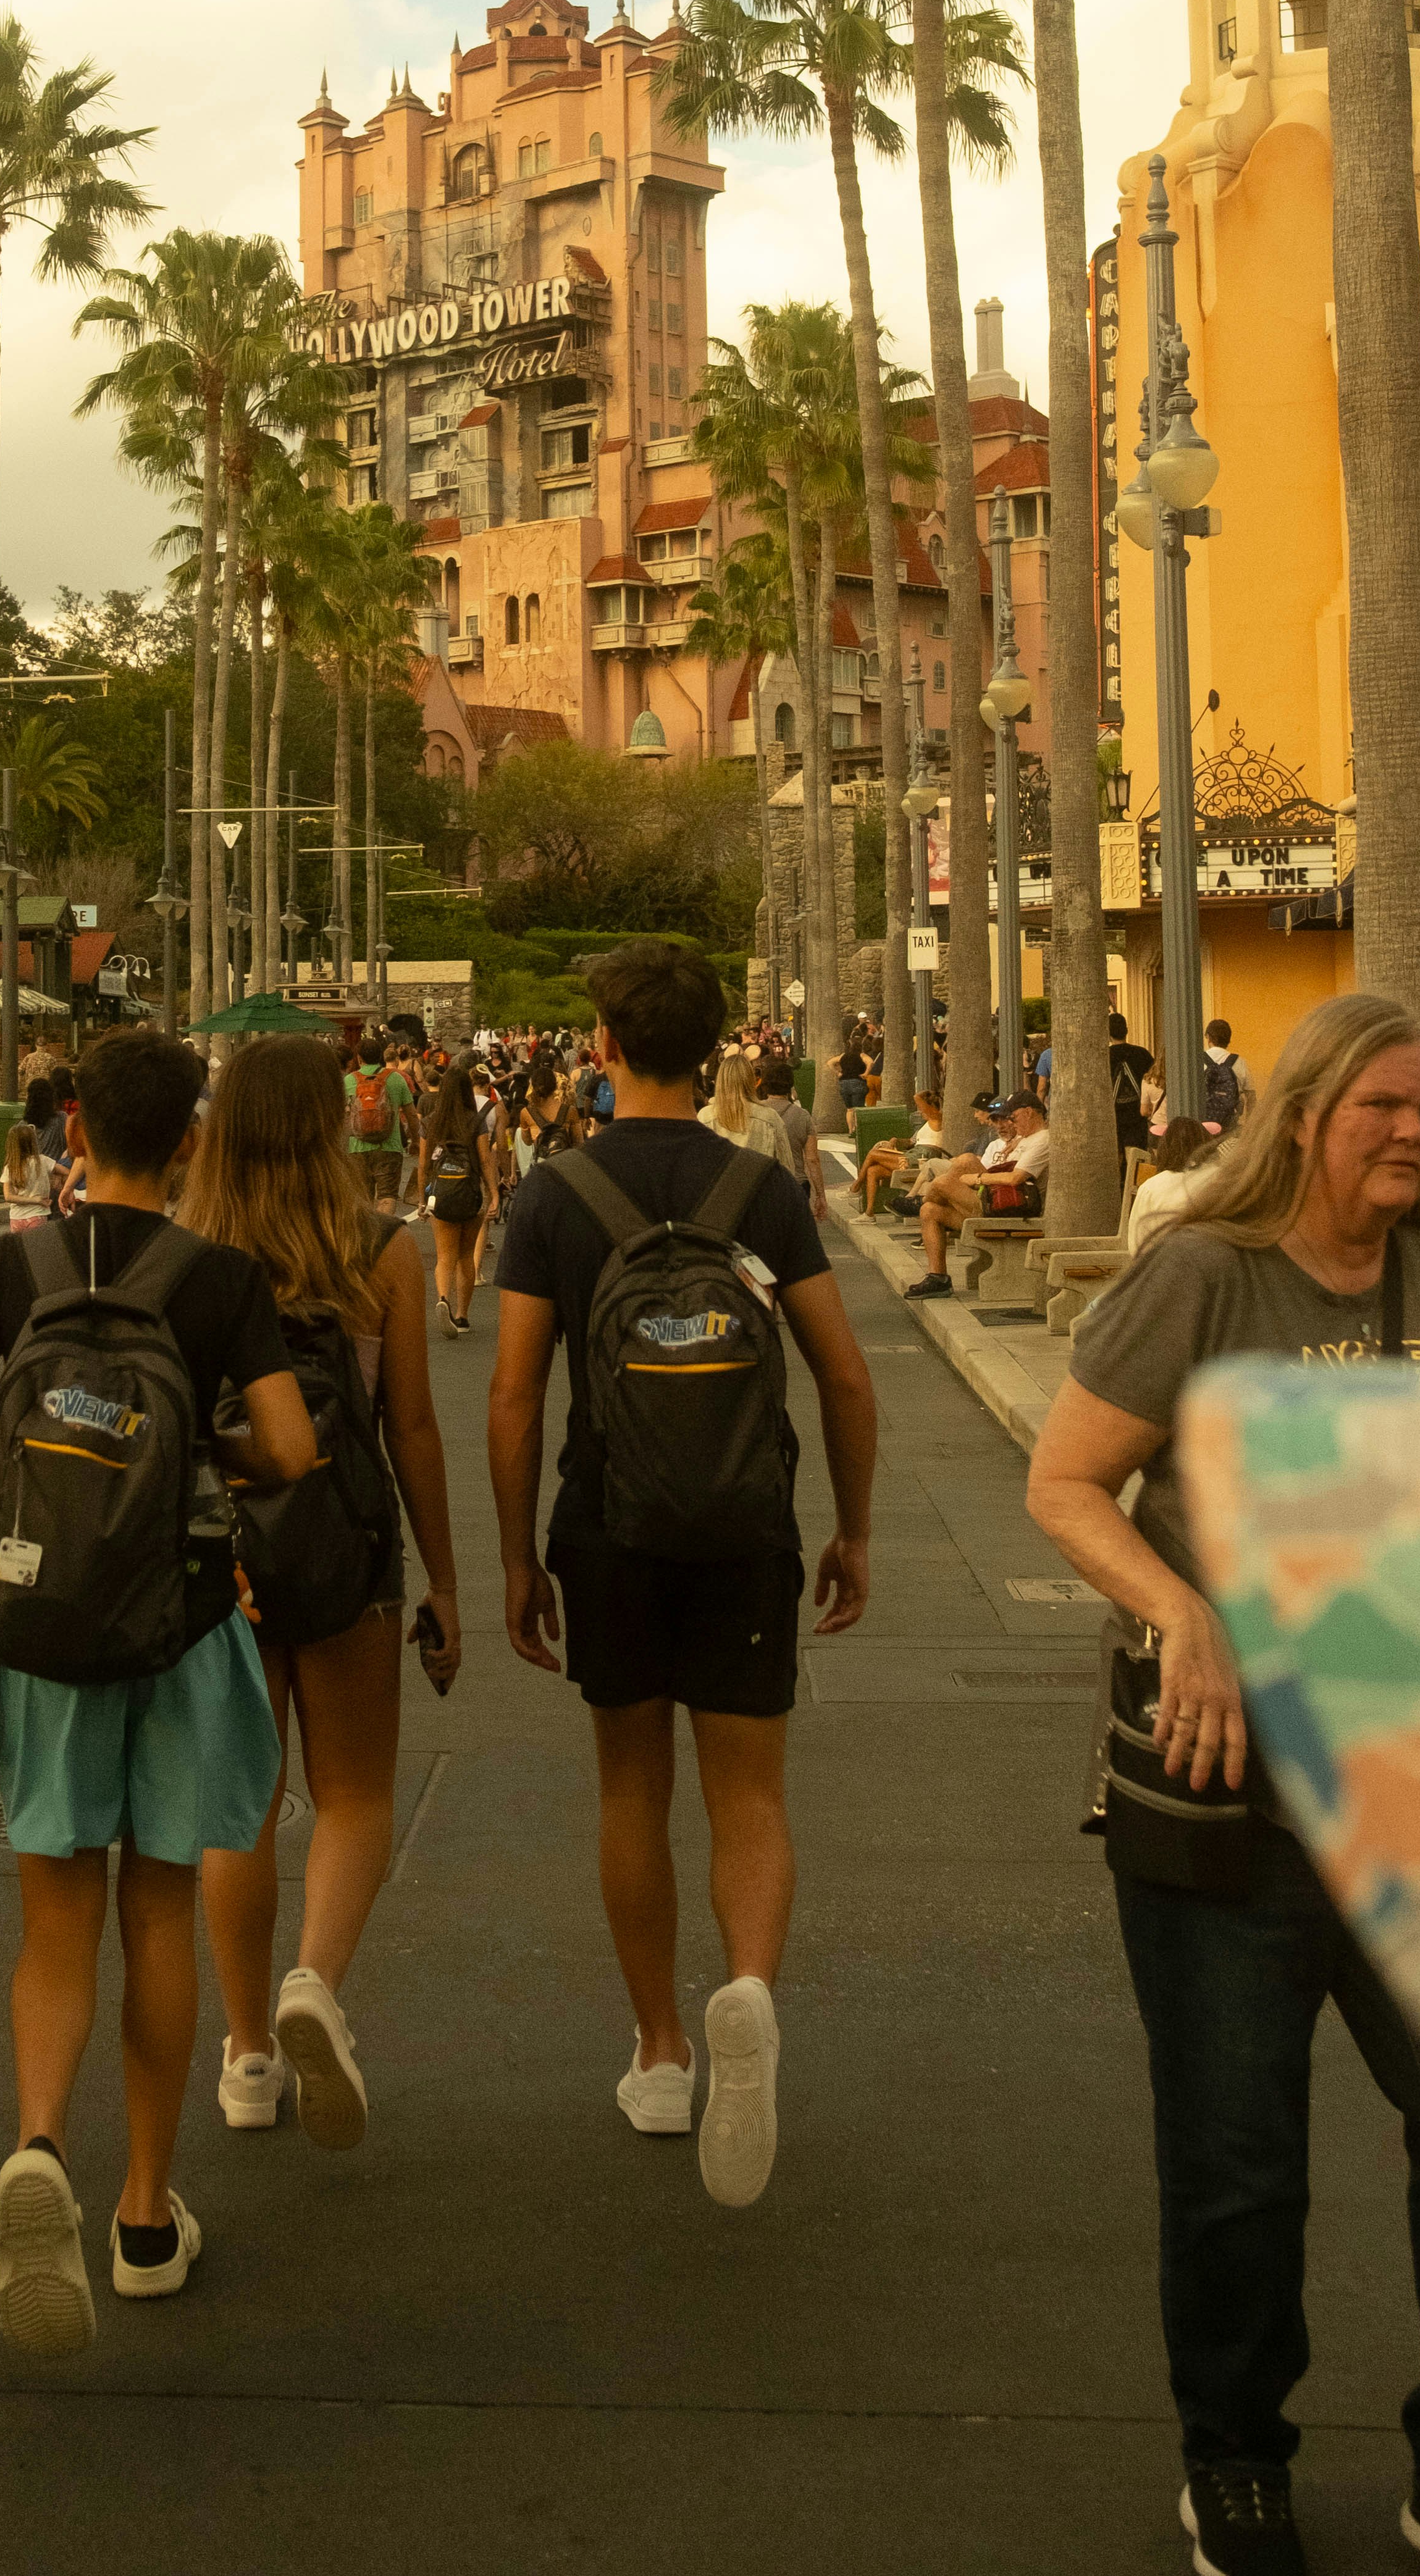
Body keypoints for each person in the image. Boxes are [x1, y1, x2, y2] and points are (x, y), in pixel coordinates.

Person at [1024, 992, 1420, 2576]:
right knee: (1239, 2168)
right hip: (1225, 1818)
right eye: (1383, 1109)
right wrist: (1179, 1613)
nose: (1414, 1137)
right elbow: (1065, 1480)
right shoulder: (1200, 1280)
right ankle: (1231, 2463)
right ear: (1304, 1114)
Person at [0, 1030, 315, 2352]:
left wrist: (22, 1443)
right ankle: (144, 2211)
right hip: (180, 1623)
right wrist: (187, 1450)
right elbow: (294, 1450)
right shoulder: (217, 1278)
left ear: (70, 1133)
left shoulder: (9, 1264)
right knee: (160, 1905)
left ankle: (34, 2143)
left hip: (43, 1631)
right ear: (187, 1142)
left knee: (53, 1916)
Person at [488, 940, 878, 2208]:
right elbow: (842, 1374)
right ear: (717, 1050)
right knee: (749, 1795)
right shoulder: (758, 1190)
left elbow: (511, 1393)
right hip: (744, 1528)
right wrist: (850, 1527)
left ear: (600, 1048)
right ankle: (747, 1993)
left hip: (607, 1530)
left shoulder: (553, 1195)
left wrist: (513, 1558)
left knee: (628, 1788)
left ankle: (659, 2050)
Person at [190, 1037, 460, 2149]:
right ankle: (316, 1979)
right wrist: (444, 1579)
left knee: (240, 1805)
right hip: (348, 1546)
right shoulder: (381, 1251)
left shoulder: (189, 1253)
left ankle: (248, 2049)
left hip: (224, 1560)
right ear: (326, 1126)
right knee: (353, 1797)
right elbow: (410, 1429)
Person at [904, 1091, 1049, 1298]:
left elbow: (1015, 1179)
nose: (1011, 1122)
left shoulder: (1042, 1140)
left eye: (1013, 1118)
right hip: (998, 1198)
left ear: (1028, 1112)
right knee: (932, 1209)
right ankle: (938, 1278)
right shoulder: (1024, 1138)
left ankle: (917, 1202)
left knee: (945, 1182)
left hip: (1014, 1206)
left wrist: (979, 1179)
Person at [416, 1060, 492, 1336]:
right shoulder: (476, 1122)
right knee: (465, 1256)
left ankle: (442, 1298)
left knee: (444, 1256)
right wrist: (494, 1194)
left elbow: (423, 1163)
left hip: (442, 1194)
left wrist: (423, 1200)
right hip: (470, 1192)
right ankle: (462, 1316)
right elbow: (485, 1160)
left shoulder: (430, 1122)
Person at [342, 1029, 416, 1210]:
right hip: (389, 1146)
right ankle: (384, 1235)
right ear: (381, 1056)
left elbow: (341, 1118)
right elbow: (412, 1114)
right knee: (387, 1196)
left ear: (359, 1058)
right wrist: (416, 1140)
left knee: (361, 1196)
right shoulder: (396, 1079)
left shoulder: (349, 1081)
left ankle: (366, 1234)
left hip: (357, 1147)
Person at [1126, 1116, 1220, 1256]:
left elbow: (1137, 1246)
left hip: (1167, 1267)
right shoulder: (1223, 1179)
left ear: (1165, 1147)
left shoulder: (1151, 1188)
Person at [754, 1054, 827, 1219]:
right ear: (790, 1085)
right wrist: (821, 1196)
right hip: (796, 1184)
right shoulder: (803, 1116)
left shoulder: (756, 1113)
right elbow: (812, 1159)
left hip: (764, 1185)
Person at [857, 1093, 943, 1223]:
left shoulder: (937, 1119)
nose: (920, 1112)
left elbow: (918, 1097)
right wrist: (896, 1141)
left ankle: (856, 1185)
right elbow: (910, 1142)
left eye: (922, 1108)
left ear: (930, 1107)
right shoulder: (924, 1126)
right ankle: (869, 1214)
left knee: (874, 1153)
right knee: (873, 1171)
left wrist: (930, 1097)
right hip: (914, 1153)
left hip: (924, 1155)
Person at [700, 1047, 788, 1168]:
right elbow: (786, 1167)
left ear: (720, 1080)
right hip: (760, 1184)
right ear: (750, 1080)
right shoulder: (769, 1118)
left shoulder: (705, 1117)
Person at [1111, 1007, 1153, 1156]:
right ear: (1126, 1030)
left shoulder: (1104, 1058)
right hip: (1138, 1114)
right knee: (1137, 1155)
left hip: (1113, 1114)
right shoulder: (1142, 1054)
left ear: (1108, 1034)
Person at [1202, 1016, 1250, 1134]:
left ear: (1209, 1037)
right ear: (1228, 1039)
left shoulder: (1198, 1060)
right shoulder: (1240, 1062)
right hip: (1229, 1124)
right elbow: (1251, 1097)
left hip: (1204, 1123)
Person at [0, 1121, 53, 1226]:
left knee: (19, 1243)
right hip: (37, 1214)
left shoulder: (10, 1167)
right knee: (36, 1243)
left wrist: (32, 1200)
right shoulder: (43, 1161)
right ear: (33, 1142)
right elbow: (68, 1172)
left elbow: (9, 1197)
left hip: (16, 1217)